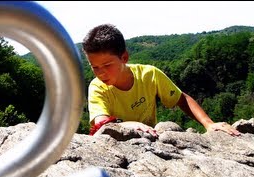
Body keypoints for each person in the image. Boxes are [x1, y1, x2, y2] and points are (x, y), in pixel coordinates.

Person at [82, 23, 241, 137]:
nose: (100, 73)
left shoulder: (149, 75)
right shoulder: (97, 88)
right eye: (94, 67)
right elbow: (101, 125)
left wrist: (209, 123)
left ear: (124, 57)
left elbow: (181, 98)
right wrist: (127, 125)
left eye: (107, 65)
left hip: (149, 140)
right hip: (115, 145)